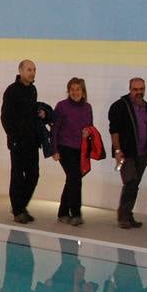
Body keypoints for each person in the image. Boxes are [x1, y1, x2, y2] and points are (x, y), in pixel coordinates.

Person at [108, 77, 147, 230]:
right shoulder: (119, 106)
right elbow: (114, 130)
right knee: (130, 182)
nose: (139, 92)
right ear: (130, 89)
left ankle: (128, 214)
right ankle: (123, 216)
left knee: (134, 184)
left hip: (143, 152)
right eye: (135, 89)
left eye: (141, 89)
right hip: (126, 153)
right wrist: (117, 150)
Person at [0, 59, 47, 223]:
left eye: (34, 70)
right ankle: (18, 210)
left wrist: (40, 114)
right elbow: (5, 117)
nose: (32, 73)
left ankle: (20, 206)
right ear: (20, 71)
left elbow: (31, 113)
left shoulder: (33, 90)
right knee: (18, 176)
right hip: (18, 142)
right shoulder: (11, 91)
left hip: (32, 141)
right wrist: (12, 137)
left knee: (34, 175)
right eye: (29, 70)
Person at [50, 77, 93, 225]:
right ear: (68, 91)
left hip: (80, 149)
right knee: (75, 177)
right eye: (72, 89)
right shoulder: (62, 106)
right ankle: (75, 213)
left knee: (72, 179)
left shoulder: (87, 107)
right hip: (64, 147)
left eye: (78, 89)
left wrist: (88, 131)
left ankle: (63, 212)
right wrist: (54, 149)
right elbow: (54, 129)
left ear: (83, 91)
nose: (75, 92)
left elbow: (90, 127)